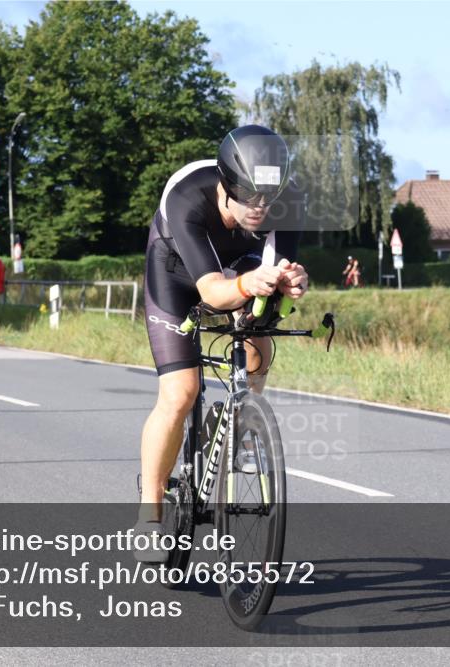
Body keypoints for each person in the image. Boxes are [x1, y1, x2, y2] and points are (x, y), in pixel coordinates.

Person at [135, 125, 309, 562]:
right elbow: (212, 292)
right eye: (249, 197)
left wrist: (290, 283)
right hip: (175, 272)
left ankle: (241, 422)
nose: (260, 208)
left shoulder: (288, 201)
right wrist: (250, 284)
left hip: (239, 267)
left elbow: (272, 276)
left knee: (259, 341)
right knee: (181, 394)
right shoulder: (187, 195)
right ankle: (150, 513)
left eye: (267, 198)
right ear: (225, 185)